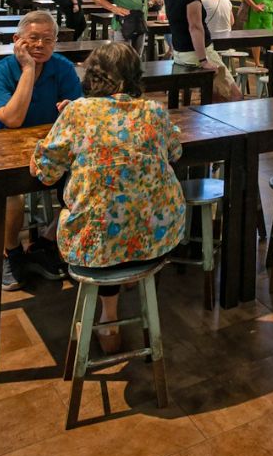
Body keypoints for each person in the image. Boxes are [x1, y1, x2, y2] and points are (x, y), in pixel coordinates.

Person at [31, 42, 186, 349]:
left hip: (95, 243)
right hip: (159, 234)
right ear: (135, 75)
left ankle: (108, 318)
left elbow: (46, 171)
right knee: (123, 214)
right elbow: (176, 152)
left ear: (92, 75)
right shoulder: (153, 111)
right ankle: (128, 285)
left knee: (100, 221)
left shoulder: (77, 112)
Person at [0, 10, 86, 290]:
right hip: (4, 146)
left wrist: (72, 109)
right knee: (12, 196)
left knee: (87, 183)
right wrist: (28, 69)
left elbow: (79, 110)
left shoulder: (62, 68)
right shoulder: (1, 72)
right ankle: (11, 252)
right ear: (17, 40)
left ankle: (47, 241)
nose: (40, 45)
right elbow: (13, 120)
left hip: (51, 146)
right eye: (33, 39)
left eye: (48, 39)